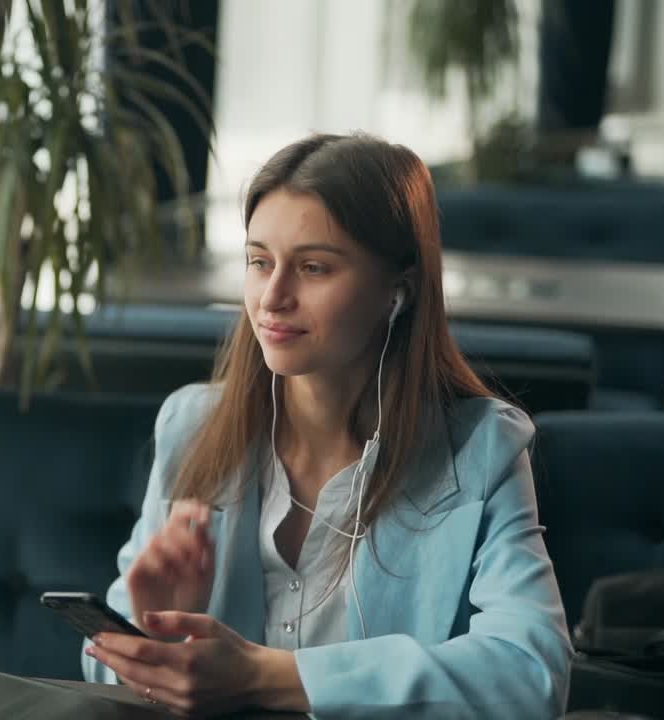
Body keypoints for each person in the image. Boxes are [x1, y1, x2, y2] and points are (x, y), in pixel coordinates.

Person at [81, 133, 572, 718]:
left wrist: (270, 677)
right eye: (259, 262)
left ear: (399, 290)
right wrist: (153, 628)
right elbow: (98, 668)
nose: (273, 297)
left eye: (313, 267)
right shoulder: (193, 423)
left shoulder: (480, 448)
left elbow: (531, 673)